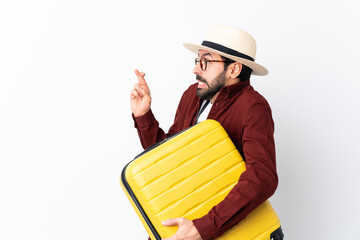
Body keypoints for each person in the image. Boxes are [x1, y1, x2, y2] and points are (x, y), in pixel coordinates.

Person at [130, 25, 278, 240]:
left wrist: (201, 229)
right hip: (182, 222)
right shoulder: (191, 95)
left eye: (205, 62)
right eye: (197, 61)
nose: (196, 69)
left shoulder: (253, 107)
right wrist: (144, 115)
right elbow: (169, 159)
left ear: (234, 69)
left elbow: (262, 178)